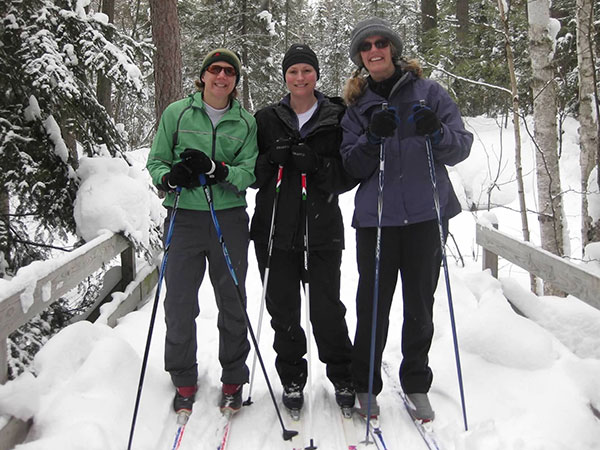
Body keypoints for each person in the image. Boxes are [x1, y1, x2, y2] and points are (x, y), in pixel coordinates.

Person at [340, 18, 473, 422]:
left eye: (381, 43)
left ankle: (416, 382)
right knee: (373, 304)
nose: (374, 49)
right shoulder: (357, 105)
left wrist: (436, 133)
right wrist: (372, 138)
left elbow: (460, 146)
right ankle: (365, 383)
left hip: (426, 216)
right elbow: (350, 166)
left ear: (393, 50)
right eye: (366, 46)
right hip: (377, 220)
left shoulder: (429, 92)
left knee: (420, 305)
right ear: (361, 57)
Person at [146, 48, 258, 417]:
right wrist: (169, 177)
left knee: (232, 300)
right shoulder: (177, 113)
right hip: (184, 217)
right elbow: (157, 160)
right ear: (203, 76)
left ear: (235, 81)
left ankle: (233, 378)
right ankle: (183, 378)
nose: (221, 77)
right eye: (215, 70)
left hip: (228, 219)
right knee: (179, 302)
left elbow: (249, 173)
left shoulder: (245, 122)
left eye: (229, 71)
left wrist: (220, 170)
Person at [251, 44, 358, 415]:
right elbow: (250, 175)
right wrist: (270, 159)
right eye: (293, 71)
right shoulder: (266, 118)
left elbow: (348, 174)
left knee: (326, 309)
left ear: (316, 75)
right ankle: (292, 377)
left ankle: (343, 374)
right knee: (283, 310)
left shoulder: (337, 115)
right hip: (274, 231)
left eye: (306, 71)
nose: (300, 78)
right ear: (285, 77)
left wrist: (317, 166)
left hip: (322, 229)